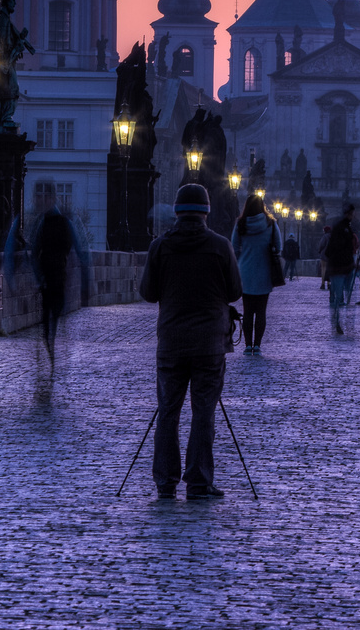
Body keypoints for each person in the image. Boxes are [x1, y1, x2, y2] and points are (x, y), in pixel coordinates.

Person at [139, 183, 243, 500]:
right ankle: (199, 482)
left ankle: (165, 481)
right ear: (206, 213)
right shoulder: (220, 246)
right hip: (209, 344)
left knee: (168, 412)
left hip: (171, 342)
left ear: (177, 213)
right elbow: (235, 291)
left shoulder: (160, 246)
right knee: (203, 413)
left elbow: (148, 293)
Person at [23, 197, 89, 366]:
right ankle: (52, 341)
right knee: (56, 312)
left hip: (47, 275)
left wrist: (38, 276)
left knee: (47, 312)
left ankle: (49, 343)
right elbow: (76, 248)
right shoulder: (65, 223)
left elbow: (35, 249)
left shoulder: (42, 223)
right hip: (59, 273)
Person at [231, 195, 281, 354]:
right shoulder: (271, 223)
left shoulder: (240, 224)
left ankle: (247, 345)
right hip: (264, 272)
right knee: (261, 311)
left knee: (247, 311)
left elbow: (234, 246)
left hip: (245, 273)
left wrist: (242, 261)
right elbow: (278, 246)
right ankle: (257, 345)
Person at [323, 206, 359, 335]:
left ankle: (341, 322)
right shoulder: (343, 228)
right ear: (349, 214)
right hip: (340, 266)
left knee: (343, 296)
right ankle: (339, 322)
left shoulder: (345, 227)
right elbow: (339, 248)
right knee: (342, 297)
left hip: (343, 266)